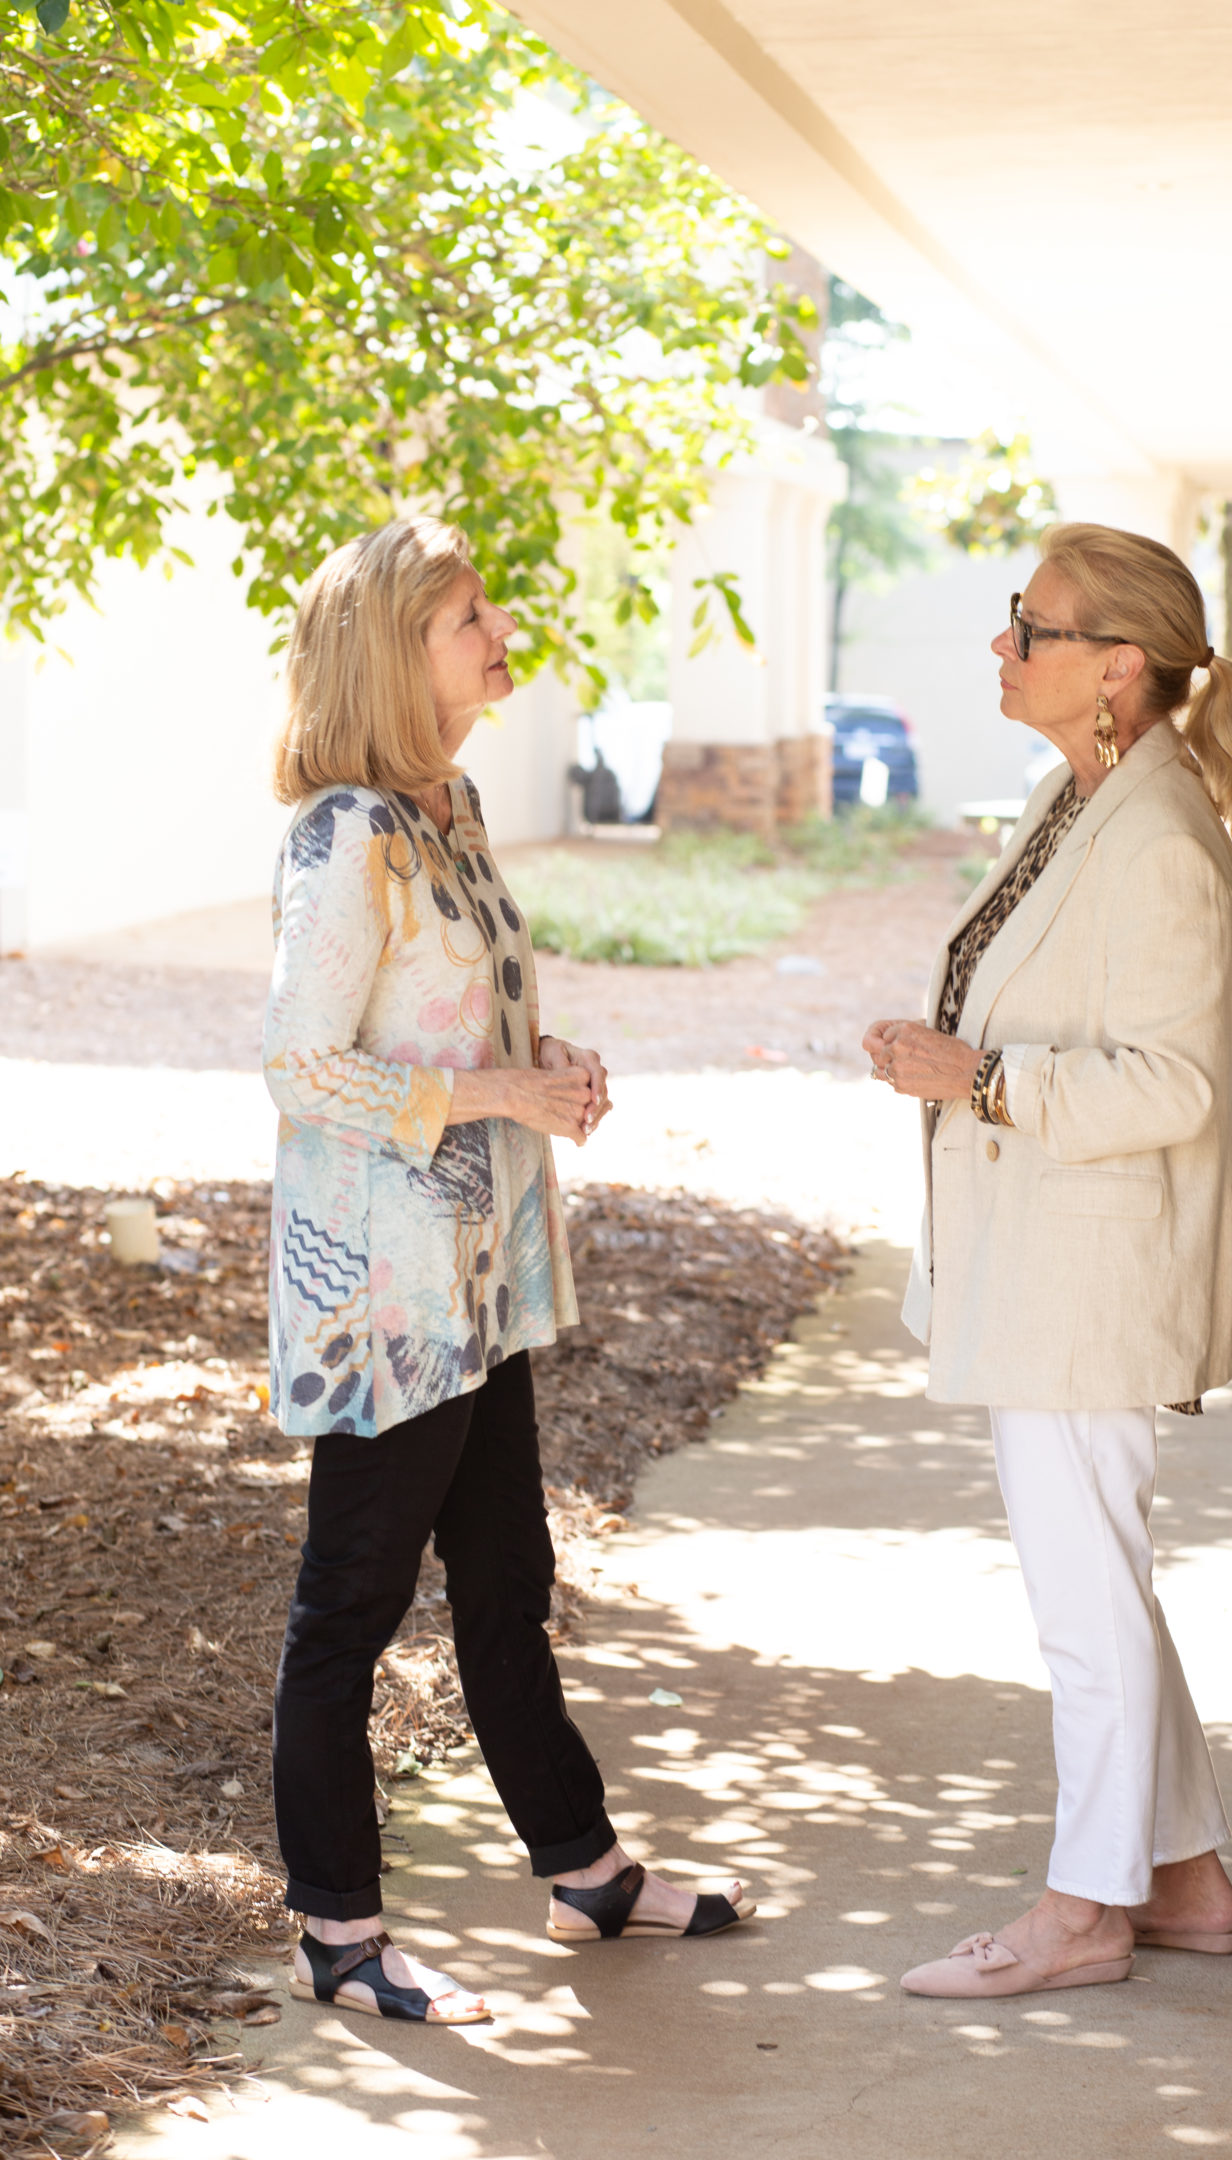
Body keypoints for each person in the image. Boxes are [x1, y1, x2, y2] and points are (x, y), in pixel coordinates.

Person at [265, 516, 752, 2027]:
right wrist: (500, 1097)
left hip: (477, 1281)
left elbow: (450, 1025)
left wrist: (547, 1065)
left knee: (505, 1586)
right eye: (468, 617)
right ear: (392, 652)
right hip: (386, 1298)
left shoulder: (449, 809)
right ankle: (340, 1931)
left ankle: (584, 1870)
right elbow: (299, 1067)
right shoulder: (346, 833)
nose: (499, 635)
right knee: (349, 1608)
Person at [863, 522, 1232, 2001]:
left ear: (1118, 664)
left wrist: (975, 1079)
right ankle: (1184, 1880)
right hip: (1045, 1263)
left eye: (1028, 627)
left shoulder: (1161, 835)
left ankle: (1086, 1911)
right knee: (1103, 1586)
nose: (1001, 645)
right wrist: (950, 1062)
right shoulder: (1085, 794)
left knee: (1084, 1605)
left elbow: (1172, 1087)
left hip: (1090, 1283)